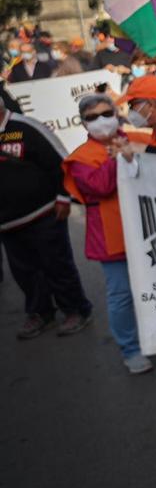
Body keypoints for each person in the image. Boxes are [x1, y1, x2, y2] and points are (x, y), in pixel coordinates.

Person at [62, 93, 151, 374]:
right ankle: (131, 349)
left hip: (150, 231)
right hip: (112, 237)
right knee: (122, 294)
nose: (100, 120)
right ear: (83, 123)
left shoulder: (141, 139)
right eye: (91, 117)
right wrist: (117, 159)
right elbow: (99, 187)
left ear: (116, 113)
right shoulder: (80, 158)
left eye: (105, 113)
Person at [1, 99, 94, 339]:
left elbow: (61, 161)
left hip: (44, 213)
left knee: (57, 265)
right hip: (7, 223)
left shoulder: (26, 127)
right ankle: (40, 313)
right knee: (24, 272)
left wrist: (64, 197)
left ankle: (76, 309)